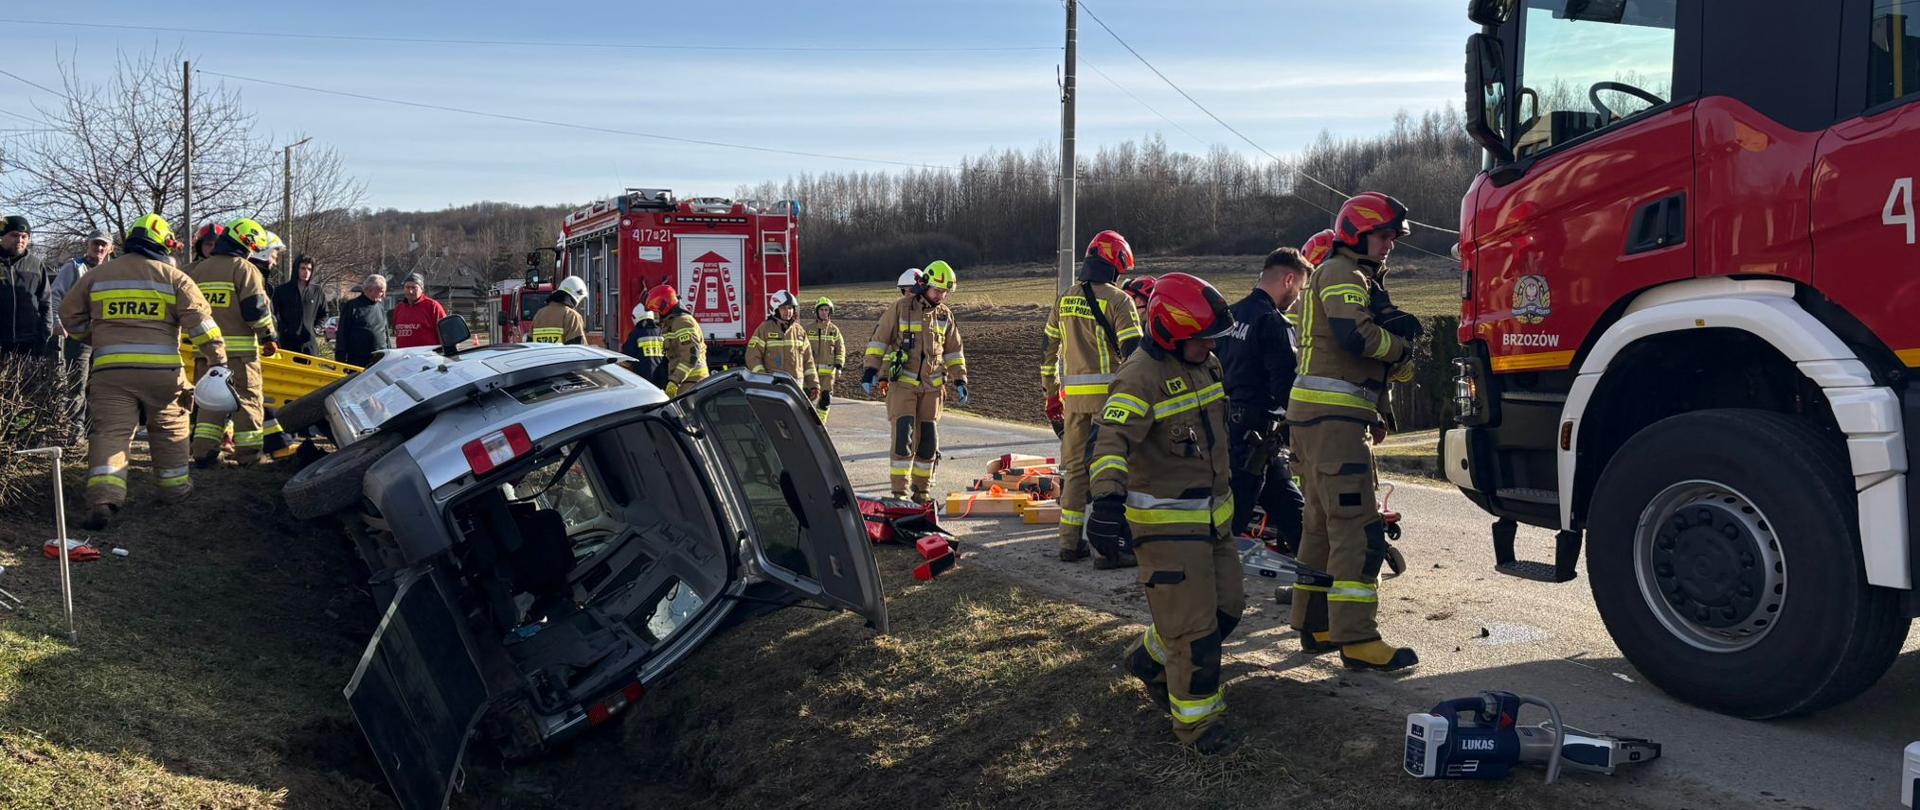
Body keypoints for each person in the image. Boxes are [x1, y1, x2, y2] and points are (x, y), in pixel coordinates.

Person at [1085, 272, 1241, 754]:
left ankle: (1149, 660)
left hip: (1212, 522)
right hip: (1168, 528)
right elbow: (1108, 442)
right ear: (1171, 333)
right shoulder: (1140, 376)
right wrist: (1107, 501)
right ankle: (1197, 727)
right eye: (1201, 339)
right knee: (1194, 633)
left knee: (1226, 611)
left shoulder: (1204, 364)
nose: (1210, 346)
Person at [1288, 193, 1421, 672]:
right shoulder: (1345, 273)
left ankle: (1316, 623)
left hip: (1318, 420)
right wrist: (1403, 350)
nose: (1390, 245)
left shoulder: (1343, 273)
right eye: (1384, 236)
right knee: (1358, 530)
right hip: (1334, 422)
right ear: (1358, 233)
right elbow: (1355, 338)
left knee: (1321, 528)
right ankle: (1358, 639)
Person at [60, 214, 226, 530]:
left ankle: (104, 499)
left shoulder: (99, 275)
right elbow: (202, 326)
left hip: (111, 372)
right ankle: (174, 490)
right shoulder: (175, 277)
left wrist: (97, 339)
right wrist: (217, 360)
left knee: (111, 433)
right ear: (163, 245)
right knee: (169, 428)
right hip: (163, 374)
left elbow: (69, 315)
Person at [1041, 230, 1143, 567]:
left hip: (1073, 403)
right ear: (1116, 266)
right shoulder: (1119, 300)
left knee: (1074, 472)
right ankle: (1108, 548)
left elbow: (1047, 350)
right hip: (1110, 403)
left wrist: (1051, 393)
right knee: (1108, 472)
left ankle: (1070, 545)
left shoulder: (1064, 298)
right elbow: (1134, 355)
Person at [1217, 247, 1313, 547]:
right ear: (1288, 279)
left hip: (1228, 427)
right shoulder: (1273, 323)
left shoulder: (1230, 315)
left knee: (1289, 506)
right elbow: (1286, 386)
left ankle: (1318, 568)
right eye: (1300, 288)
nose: (1298, 298)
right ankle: (1208, 578)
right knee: (1233, 517)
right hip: (1257, 433)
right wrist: (1308, 424)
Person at [862, 260, 968, 503]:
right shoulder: (901, 308)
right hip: (903, 386)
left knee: (928, 442)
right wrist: (870, 371)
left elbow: (953, 352)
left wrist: (960, 379)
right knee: (903, 438)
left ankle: (922, 492)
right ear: (925, 285)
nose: (941, 296)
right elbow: (879, 341)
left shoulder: (945, 315)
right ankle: (899, 494)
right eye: (937, 290)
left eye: (945, 292)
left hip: (932, 389)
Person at [186, 218, 280, 467]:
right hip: (240, 356)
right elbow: (256, 311)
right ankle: (249, 455)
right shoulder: (245, 269)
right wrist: (269, 337)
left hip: (205, 353)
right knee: (247, 400)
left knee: (209, 402)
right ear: (247, 243)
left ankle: (204, 453)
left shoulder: (198, 270)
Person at [49, 230, 114, 422]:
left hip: (106, 338)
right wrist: (57, 322)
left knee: (103, 385)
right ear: (88, 244)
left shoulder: (114, 271)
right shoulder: (74, 267)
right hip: (80, 336)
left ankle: (96, 430)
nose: (99, 248)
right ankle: (74, 433)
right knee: (77, 384)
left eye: (104, 245)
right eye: (96, 244)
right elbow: (55, 295)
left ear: (111, 248)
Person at [746, 289, 819, 400]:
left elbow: (808, 361)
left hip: (796, 386)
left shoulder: (799, 331)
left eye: (790, 308)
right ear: (775, 310)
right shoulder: (764, 329)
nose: (788, 311)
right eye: (783, 308)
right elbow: (752, 357)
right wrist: (764, 379)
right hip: (773, 386)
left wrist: (814, 385)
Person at [0, 215, 48, 356]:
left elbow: (45, 302)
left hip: (29, 342)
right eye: (14, 235)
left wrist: (44, 335)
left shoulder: (36, 265)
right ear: (2, 236)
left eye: (24, 236)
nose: (19, 240)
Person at [650, 284, 707, 396]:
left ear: (664, 305)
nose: (654, 314)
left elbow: (691, 355)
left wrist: (674, 381)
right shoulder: (671, 323)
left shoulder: (682, 322)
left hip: (692, 383)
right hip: (685, 382)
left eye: (656, 309)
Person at [271, 254, 327, 355]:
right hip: (287, 343)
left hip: (309, 344)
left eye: (309, 269)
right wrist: (283, 329)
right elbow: (274, 313)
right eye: (303, 268)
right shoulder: (281, 291)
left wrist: (316, 329)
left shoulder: (317, 291)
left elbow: (324, 313)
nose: (306, 272)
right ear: (296, 269)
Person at [335, 273, 390, 368]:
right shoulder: (352, 306)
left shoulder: (380, 308)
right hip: (358, 362)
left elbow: (386, 333)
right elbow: (342, 334)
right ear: (369, 290)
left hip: (380, 360)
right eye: (381, 291)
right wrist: (341, 361)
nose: (383, 295)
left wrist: (390, 353)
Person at [808, 296, 844, 421]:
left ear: (830, 312)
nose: (824, 312)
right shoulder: (808, 329)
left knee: (825, 401)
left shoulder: (834, 330)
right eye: (822, 310)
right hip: (810, 374)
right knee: (805, 400)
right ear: (817, 312)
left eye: (826, 310)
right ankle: (807, 422)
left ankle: (820, 424)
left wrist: (839, 366)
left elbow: (840, 349)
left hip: (828, 375)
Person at [391, 272, 449, 348]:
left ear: (422, 289)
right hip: (404, 356)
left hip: (427, 356)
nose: (410, 291)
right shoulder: (399, 308)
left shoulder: (432, 306)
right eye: (407, 287)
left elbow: (445, 333)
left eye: (414, 288)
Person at [620, 303, 668, 389]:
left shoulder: (636, 334)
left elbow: (627, 359)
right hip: (663, 381)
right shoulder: (662, 332)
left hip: (643, 381)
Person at [531, 276, 588, 345]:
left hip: (540, 355)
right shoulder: (572, 316)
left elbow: (530, 343)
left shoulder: (539, 314)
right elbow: (577, 348)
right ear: (577, 296)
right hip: (562, 356)